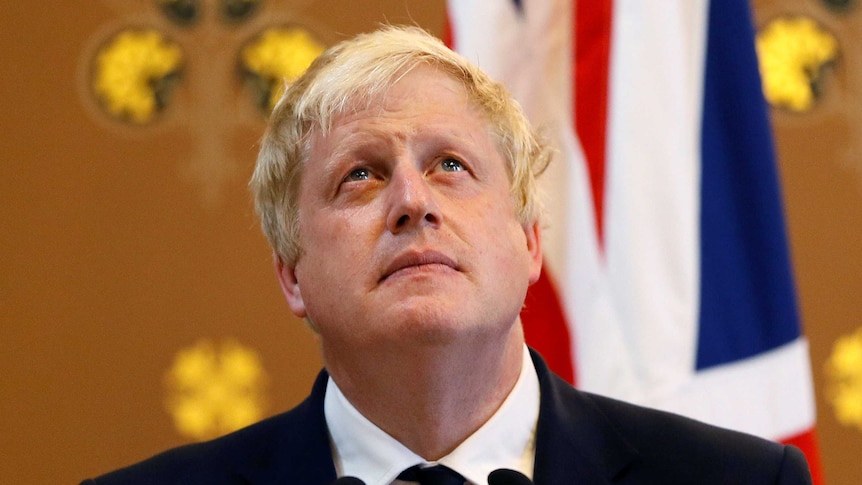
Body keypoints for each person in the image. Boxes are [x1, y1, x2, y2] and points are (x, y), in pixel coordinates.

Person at [82, 25, 812, 485]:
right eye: (359, 174)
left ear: (529, 240)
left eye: (450, 166)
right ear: (292, 274)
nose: (412, 200)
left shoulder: (741, 478)